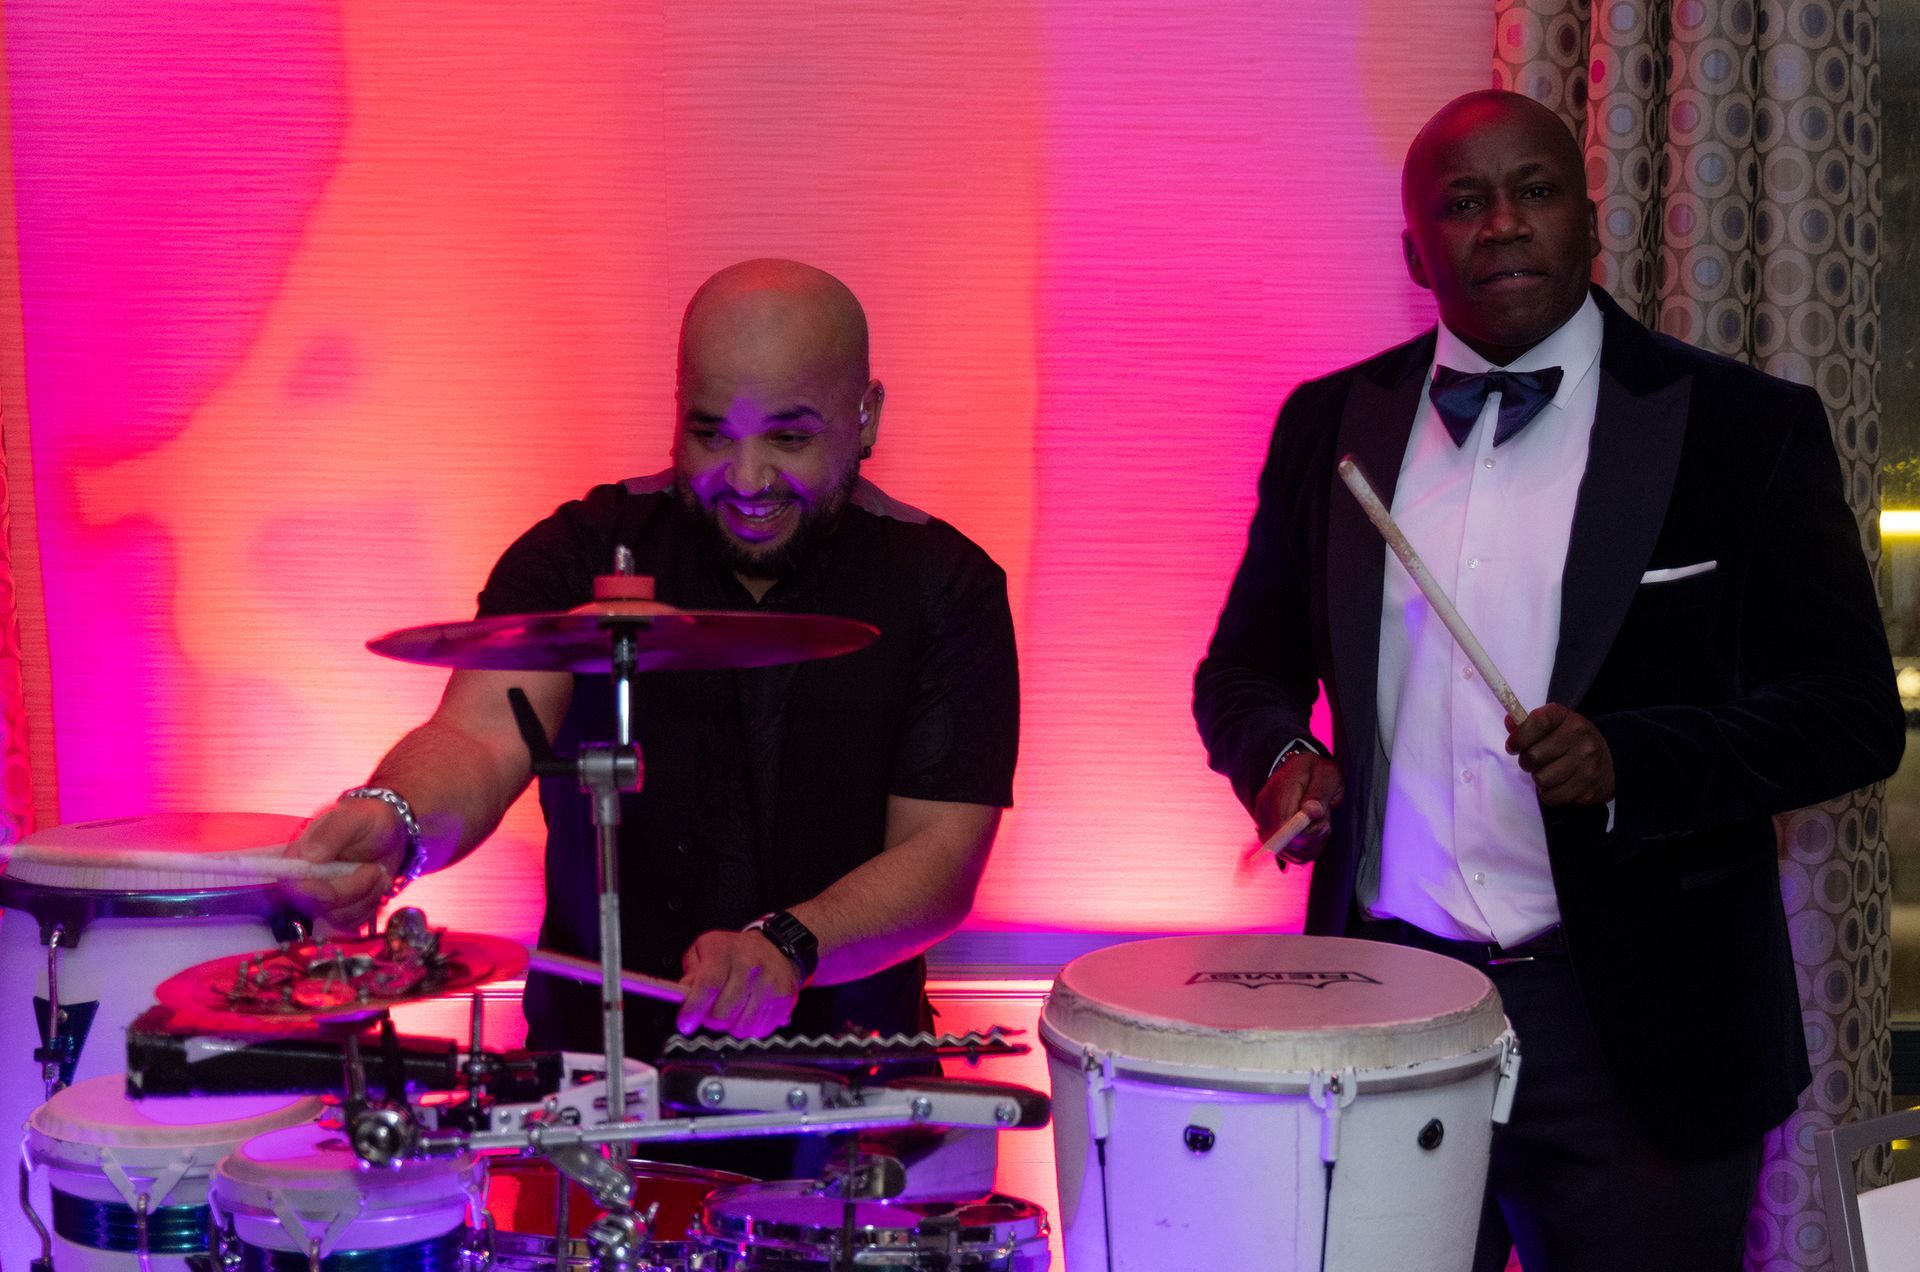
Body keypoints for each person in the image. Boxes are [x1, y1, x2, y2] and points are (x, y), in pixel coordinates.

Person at [1193, 90, 1902, 1271]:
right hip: (1385, 1014)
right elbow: (1243, 671)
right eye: (1463, 204)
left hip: (1640, 1034)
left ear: (1588, 218)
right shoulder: (1332, 426)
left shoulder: (1743, 427)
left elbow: (1851, 718)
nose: (1502, 224)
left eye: (1534, 192)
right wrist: (1282, 762)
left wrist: (1635, 760)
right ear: (1416, 250)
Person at [288, 258, 1018, 1072]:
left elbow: (942, 856)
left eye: (789, 436)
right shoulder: (578, 552)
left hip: (853, 1088)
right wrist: (396, 820)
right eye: (712, 432)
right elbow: (479, 738)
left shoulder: (945, 585)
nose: (747, 480)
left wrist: (789, 944)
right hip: (597, 1086)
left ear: (867, 417)